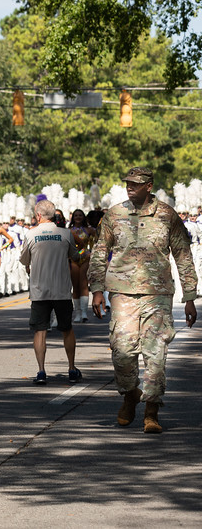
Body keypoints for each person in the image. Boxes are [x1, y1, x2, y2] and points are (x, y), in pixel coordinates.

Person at [88, 167, 198, 434]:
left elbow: (183, 254)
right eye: (127, 183)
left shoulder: (167, 215)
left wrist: (190, 296)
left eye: (136, 184)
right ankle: (129, 394)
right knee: (122, 351)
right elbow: (99, 252)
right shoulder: (114, 214)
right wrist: (97, 289)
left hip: (157, 293)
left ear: (149, 186)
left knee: (155, 354)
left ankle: (151, 411)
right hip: (122, 292)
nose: (130, 187)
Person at [20, 199, 81, 385]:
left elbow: (24, 261)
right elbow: (75, 256)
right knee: (66, 329)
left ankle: (41, 371)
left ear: (38, 215)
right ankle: (71, 368)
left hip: (39, 290)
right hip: (61, 289)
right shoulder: (65, 234)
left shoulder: (31, 234)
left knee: (40, 330)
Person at [68, 209, 95, 322]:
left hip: (85, 258)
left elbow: (96, 244)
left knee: (83, 283)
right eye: (76, 215)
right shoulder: (68, 231)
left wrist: (91, 254)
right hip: (73, 259)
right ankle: (77, 313)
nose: (78, 217)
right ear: (73, 217)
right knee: (75, 285)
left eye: (80, 215)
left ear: (84, 217)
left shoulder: (90, 230)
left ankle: (84, 312)